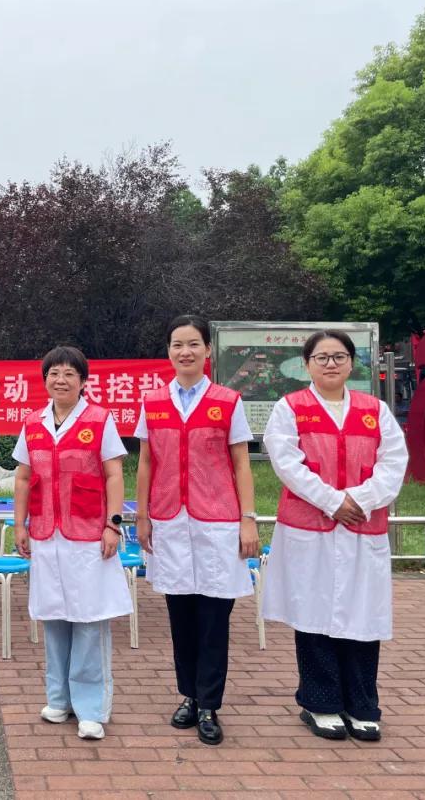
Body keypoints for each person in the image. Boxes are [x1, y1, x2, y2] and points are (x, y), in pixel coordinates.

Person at [262, 329, 407, 742]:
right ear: (307, 364)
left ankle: (362, 705)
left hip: (362, 525)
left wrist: (358, 500)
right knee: (313, 613)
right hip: (311, 528)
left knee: (363, 614)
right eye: (321, 357)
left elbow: (394, 463)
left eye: (339, 356)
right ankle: (320, 703)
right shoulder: (290, 408)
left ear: (351, 363)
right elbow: (287, 463)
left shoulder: (375, 410)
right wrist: (331, 501)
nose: (330, 364)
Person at [135, 314, 258, 746]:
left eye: (192, 344)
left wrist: (247, 518)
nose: (184, 352)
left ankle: (209, 704)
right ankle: (188, 695)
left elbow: (241, 462)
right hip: (169, 520)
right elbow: (146, 462)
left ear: (207, 350)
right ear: (168, 351)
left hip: (217, 522)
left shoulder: (227, 400)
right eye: (176, 344)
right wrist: (142, 515)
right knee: (180, 615)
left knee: (214, 618)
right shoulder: (153, 402)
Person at [11, 346, 131, 741]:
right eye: (54, 373)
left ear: (83, 381)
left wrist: (113, 524)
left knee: (89, 620)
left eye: (69, 374)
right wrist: (20, 525)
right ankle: (59, 699)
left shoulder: (99, 420)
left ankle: (91, 708)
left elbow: (114, 475)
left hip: (89, 536)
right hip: (46, 535)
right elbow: (23, 478)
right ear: (45, 379)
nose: (60, 380)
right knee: (54, 618)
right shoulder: (34, 423)